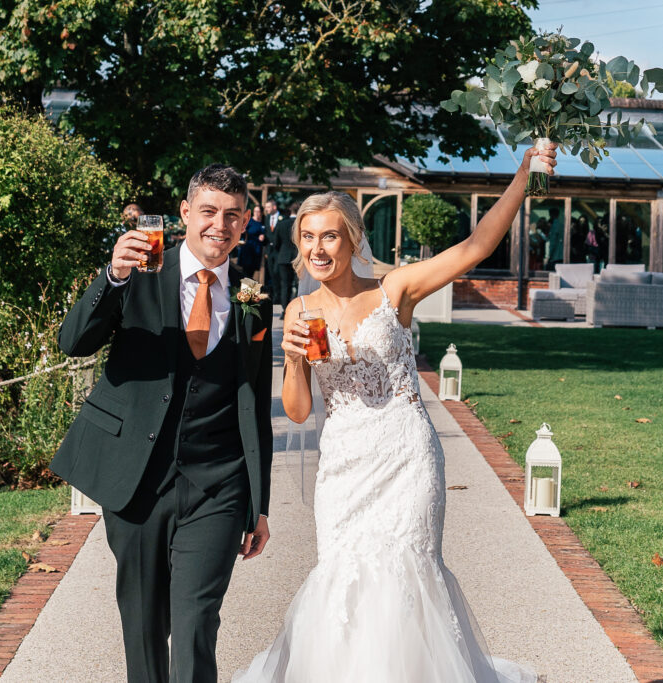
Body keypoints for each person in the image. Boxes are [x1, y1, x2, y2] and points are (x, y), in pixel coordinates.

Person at [234, 143, 556, 682]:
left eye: (329, 235)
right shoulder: (299, 310)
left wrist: (524, 177)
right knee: (343, 578)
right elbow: (297, 411)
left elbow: (475, 247)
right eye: (307, 237)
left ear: (352, 238)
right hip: (345, 465)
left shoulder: (396, 288)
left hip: (407, 456)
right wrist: (291, 360)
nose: (318, 248)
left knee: (409, 575)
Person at [51, 164, 274, 683]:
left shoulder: (254, 302)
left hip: (218, 485)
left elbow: (254, 407)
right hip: (136, 478)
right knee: (144, 623)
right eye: (209, 212)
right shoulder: (137, 273)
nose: (220, 224)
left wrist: (258, 505)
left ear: (244, 224)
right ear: (184, 214)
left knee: (197, 622)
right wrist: (112, 277)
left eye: (233, 215)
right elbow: (72, 343)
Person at [271, 201, 300, 314]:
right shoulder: (301, 224)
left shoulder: (282, 223)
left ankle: (285, 310)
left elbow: (276, 242)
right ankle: (297, 309)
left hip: (283, 257)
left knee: (285, 284)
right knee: (298, 284)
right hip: (298, 257)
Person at [238, 204, 266, 280]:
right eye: (255, 211)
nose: (256, 213)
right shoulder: (249, 221)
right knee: (245, 274)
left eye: (258, 211)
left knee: (251, 274)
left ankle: (248, 291)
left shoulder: (264, 222)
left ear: (262, 213)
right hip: (248, 250)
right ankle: (243, 291)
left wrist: (263, 236)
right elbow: (241, 232)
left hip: (257, 251)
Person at [261, 199, 283, 291]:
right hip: (269, 251)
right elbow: (267, 232)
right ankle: (274, 295)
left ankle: (279, 295)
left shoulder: (282, 218)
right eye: (266, 207)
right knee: (271, 273)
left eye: (268, 207)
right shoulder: (267, 218)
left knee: (277, 273)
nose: (266, 209)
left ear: (274, 207)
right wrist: (263, 237)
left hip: (279, 250)